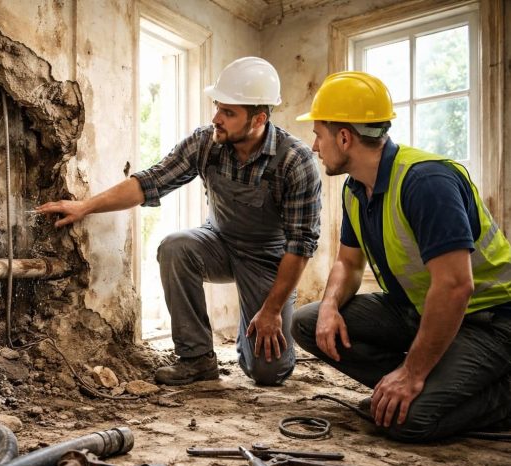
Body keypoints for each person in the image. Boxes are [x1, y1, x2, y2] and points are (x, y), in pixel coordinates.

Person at [36, 57, 321, 386]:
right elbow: (150, 181)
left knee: (267, 373)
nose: (216, 118)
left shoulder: (294, 161)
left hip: (269, 261)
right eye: (217, 107)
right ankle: (197, 358)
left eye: (228, 113)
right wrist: (86, 206)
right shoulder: (206, 142)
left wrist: (271, 310)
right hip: (219, 244)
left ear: (258, 118)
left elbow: (301, 246)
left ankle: (255, 336)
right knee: (175, 247)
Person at [292, 71, 511, 441]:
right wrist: (329, 306)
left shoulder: (426, 182)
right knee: (307, 322)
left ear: (344, 137)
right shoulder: (355, 189)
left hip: (491, 322)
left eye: (318, 134)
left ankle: (443, 386)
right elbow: (347, 262)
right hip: (417, 309)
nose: (314, 146)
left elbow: (456, 287)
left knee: (409, 421)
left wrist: (412, 374)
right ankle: (411, 384)